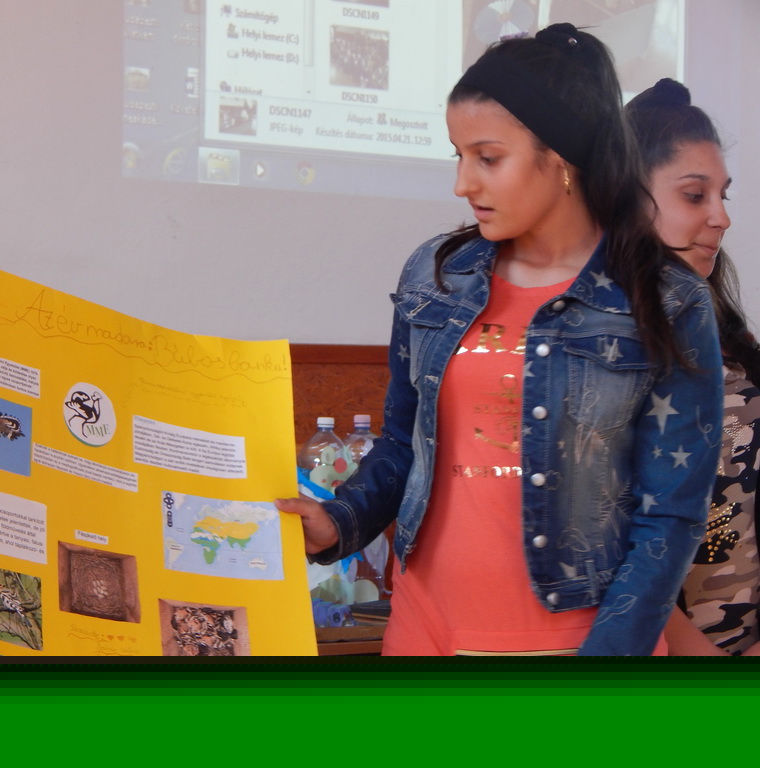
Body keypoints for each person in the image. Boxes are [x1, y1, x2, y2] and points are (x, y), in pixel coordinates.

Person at [276, 25, 724, 656]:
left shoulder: (667, 301)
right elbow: (403, 443)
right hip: (424, 627)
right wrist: (340, 522)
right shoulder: (437, 273)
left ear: (562, 158)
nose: (463, 184)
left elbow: (670, 516)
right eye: (457, 157)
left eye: (487, 158)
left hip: (575, 642)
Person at [626, 79, 760, 656]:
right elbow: (606, 540)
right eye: (695, 195)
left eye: (723, 196)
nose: (721, 218)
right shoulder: (596, 346)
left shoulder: (727, 337)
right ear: (627, 197)